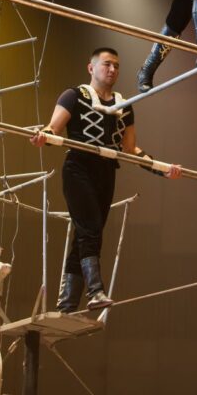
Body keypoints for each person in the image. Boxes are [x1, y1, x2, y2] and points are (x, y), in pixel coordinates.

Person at [30, 47, 181, 311]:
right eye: (107, 64)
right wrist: (43, 135)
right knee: (89, 229)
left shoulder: (123, 106)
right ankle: (96, 292)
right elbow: (53, 128)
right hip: (78, 169)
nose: (112, 70)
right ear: (91, 68)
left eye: (117, 66)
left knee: (88, 233)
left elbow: (131, 149)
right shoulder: (74, 95)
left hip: (106, 172)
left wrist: (162, 168)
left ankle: (67, 305)